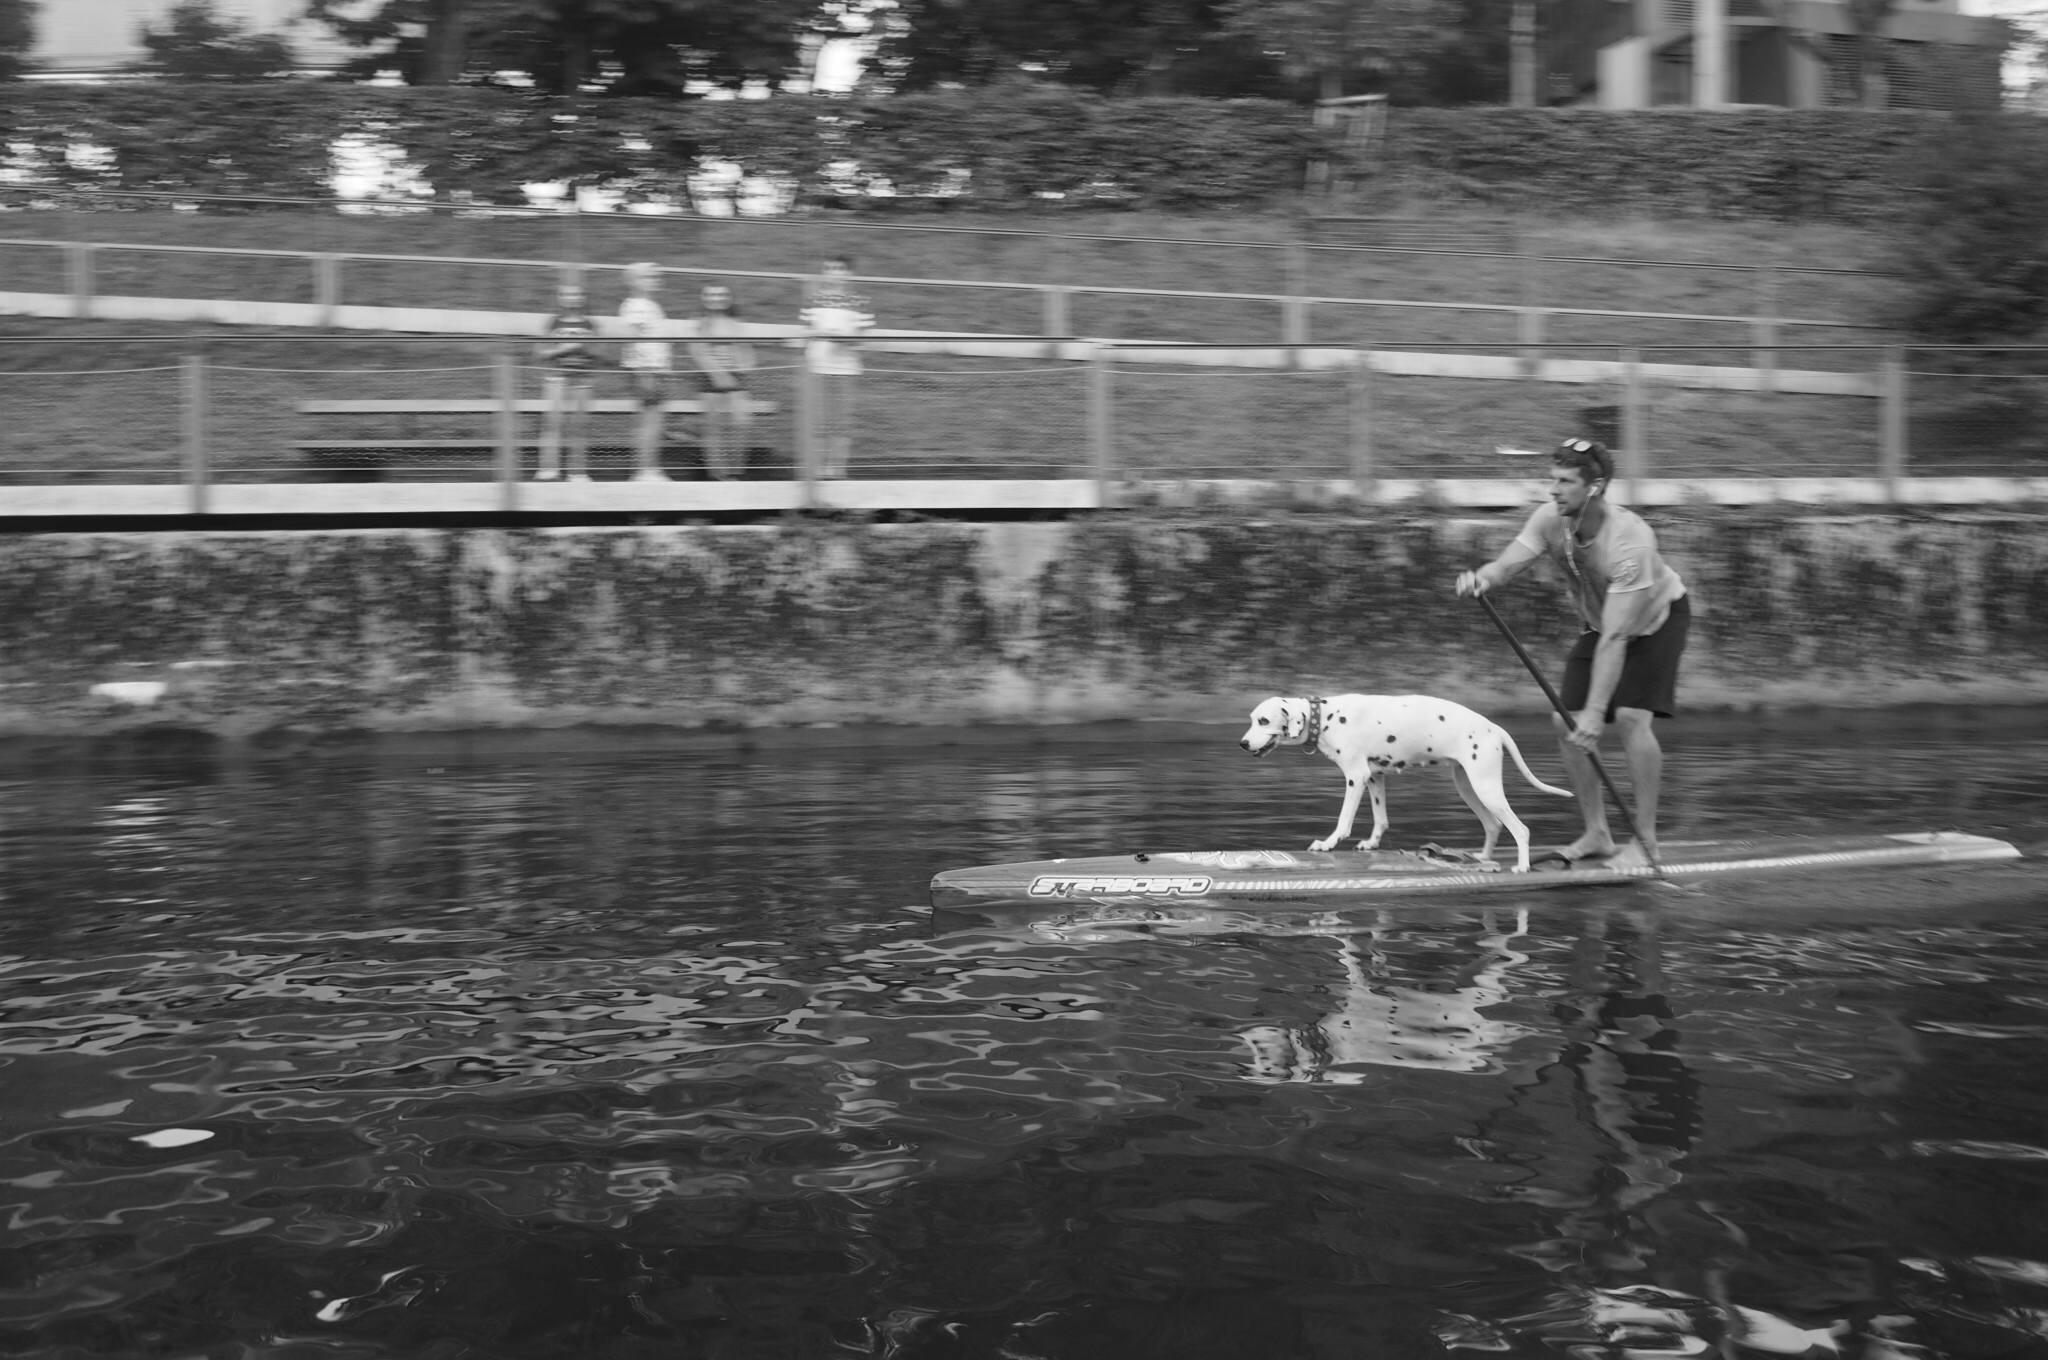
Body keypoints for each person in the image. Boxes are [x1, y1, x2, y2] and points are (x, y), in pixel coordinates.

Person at [1453, 438, 1690, 864]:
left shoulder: (1630, 542)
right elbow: (1505, 566)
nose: (1554, 489)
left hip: (1657, 622)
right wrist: (1481, 579)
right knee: (1566, 723)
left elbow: (1617, 638)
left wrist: (1598, 713)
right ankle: (1597, 834)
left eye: (1565, 482)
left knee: (1631, 718)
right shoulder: (1550, 519)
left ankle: (1646, 841)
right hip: (1602, 624)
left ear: (1594, 488)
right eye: (1553, 479)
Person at [797, 255, 873, 479]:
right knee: (818, 419)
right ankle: (817, 469)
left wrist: (843, 340)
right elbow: (804, 332)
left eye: (839, 268)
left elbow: (862, 339)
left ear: (849, 274)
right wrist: (821, 334)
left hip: (845, 368)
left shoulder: (860, 300)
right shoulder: (813, 299)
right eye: (829, 268)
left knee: (841, 420)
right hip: (817, 367)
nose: (834, 273)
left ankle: (837, 468)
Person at [687, 284, 756, 481]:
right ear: (703, 298)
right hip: (709, 378)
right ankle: (718, 474)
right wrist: (719, 374)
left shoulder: (736, 322)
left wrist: (746, 366)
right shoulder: (699, 322)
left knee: (741, 422)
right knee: (713, 425)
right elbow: (698, 352)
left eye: (721, 294)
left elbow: (747, 349)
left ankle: (735, 472)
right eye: (711, 294)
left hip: (736, 377)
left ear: (729, 298)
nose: (716, 298)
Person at [534, 278, 601, 482]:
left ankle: (577, 471)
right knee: (552, 423)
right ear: (559, 298)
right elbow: (540, 353)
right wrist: (564, 348)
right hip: (557, 378)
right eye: (567, 294)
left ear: (583, 298)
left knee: (579, 425)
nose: (572, 298)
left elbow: (599, 352)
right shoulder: (553, 323)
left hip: (582, 380)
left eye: (577, 294)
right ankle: (548, 469)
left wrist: (586, 347)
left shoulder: (590, 325)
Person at [617, 261, 673, 482]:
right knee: (649, 423)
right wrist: (642, 372)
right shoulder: (638, 305)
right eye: (648, 276)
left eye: (656, 276)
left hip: (655, 370)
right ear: (632, 282)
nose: (655, 280)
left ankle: (649, 468)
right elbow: (630, 338)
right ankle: (645, 470)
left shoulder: (648, 304)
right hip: (647, 371)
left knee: (654, 422)